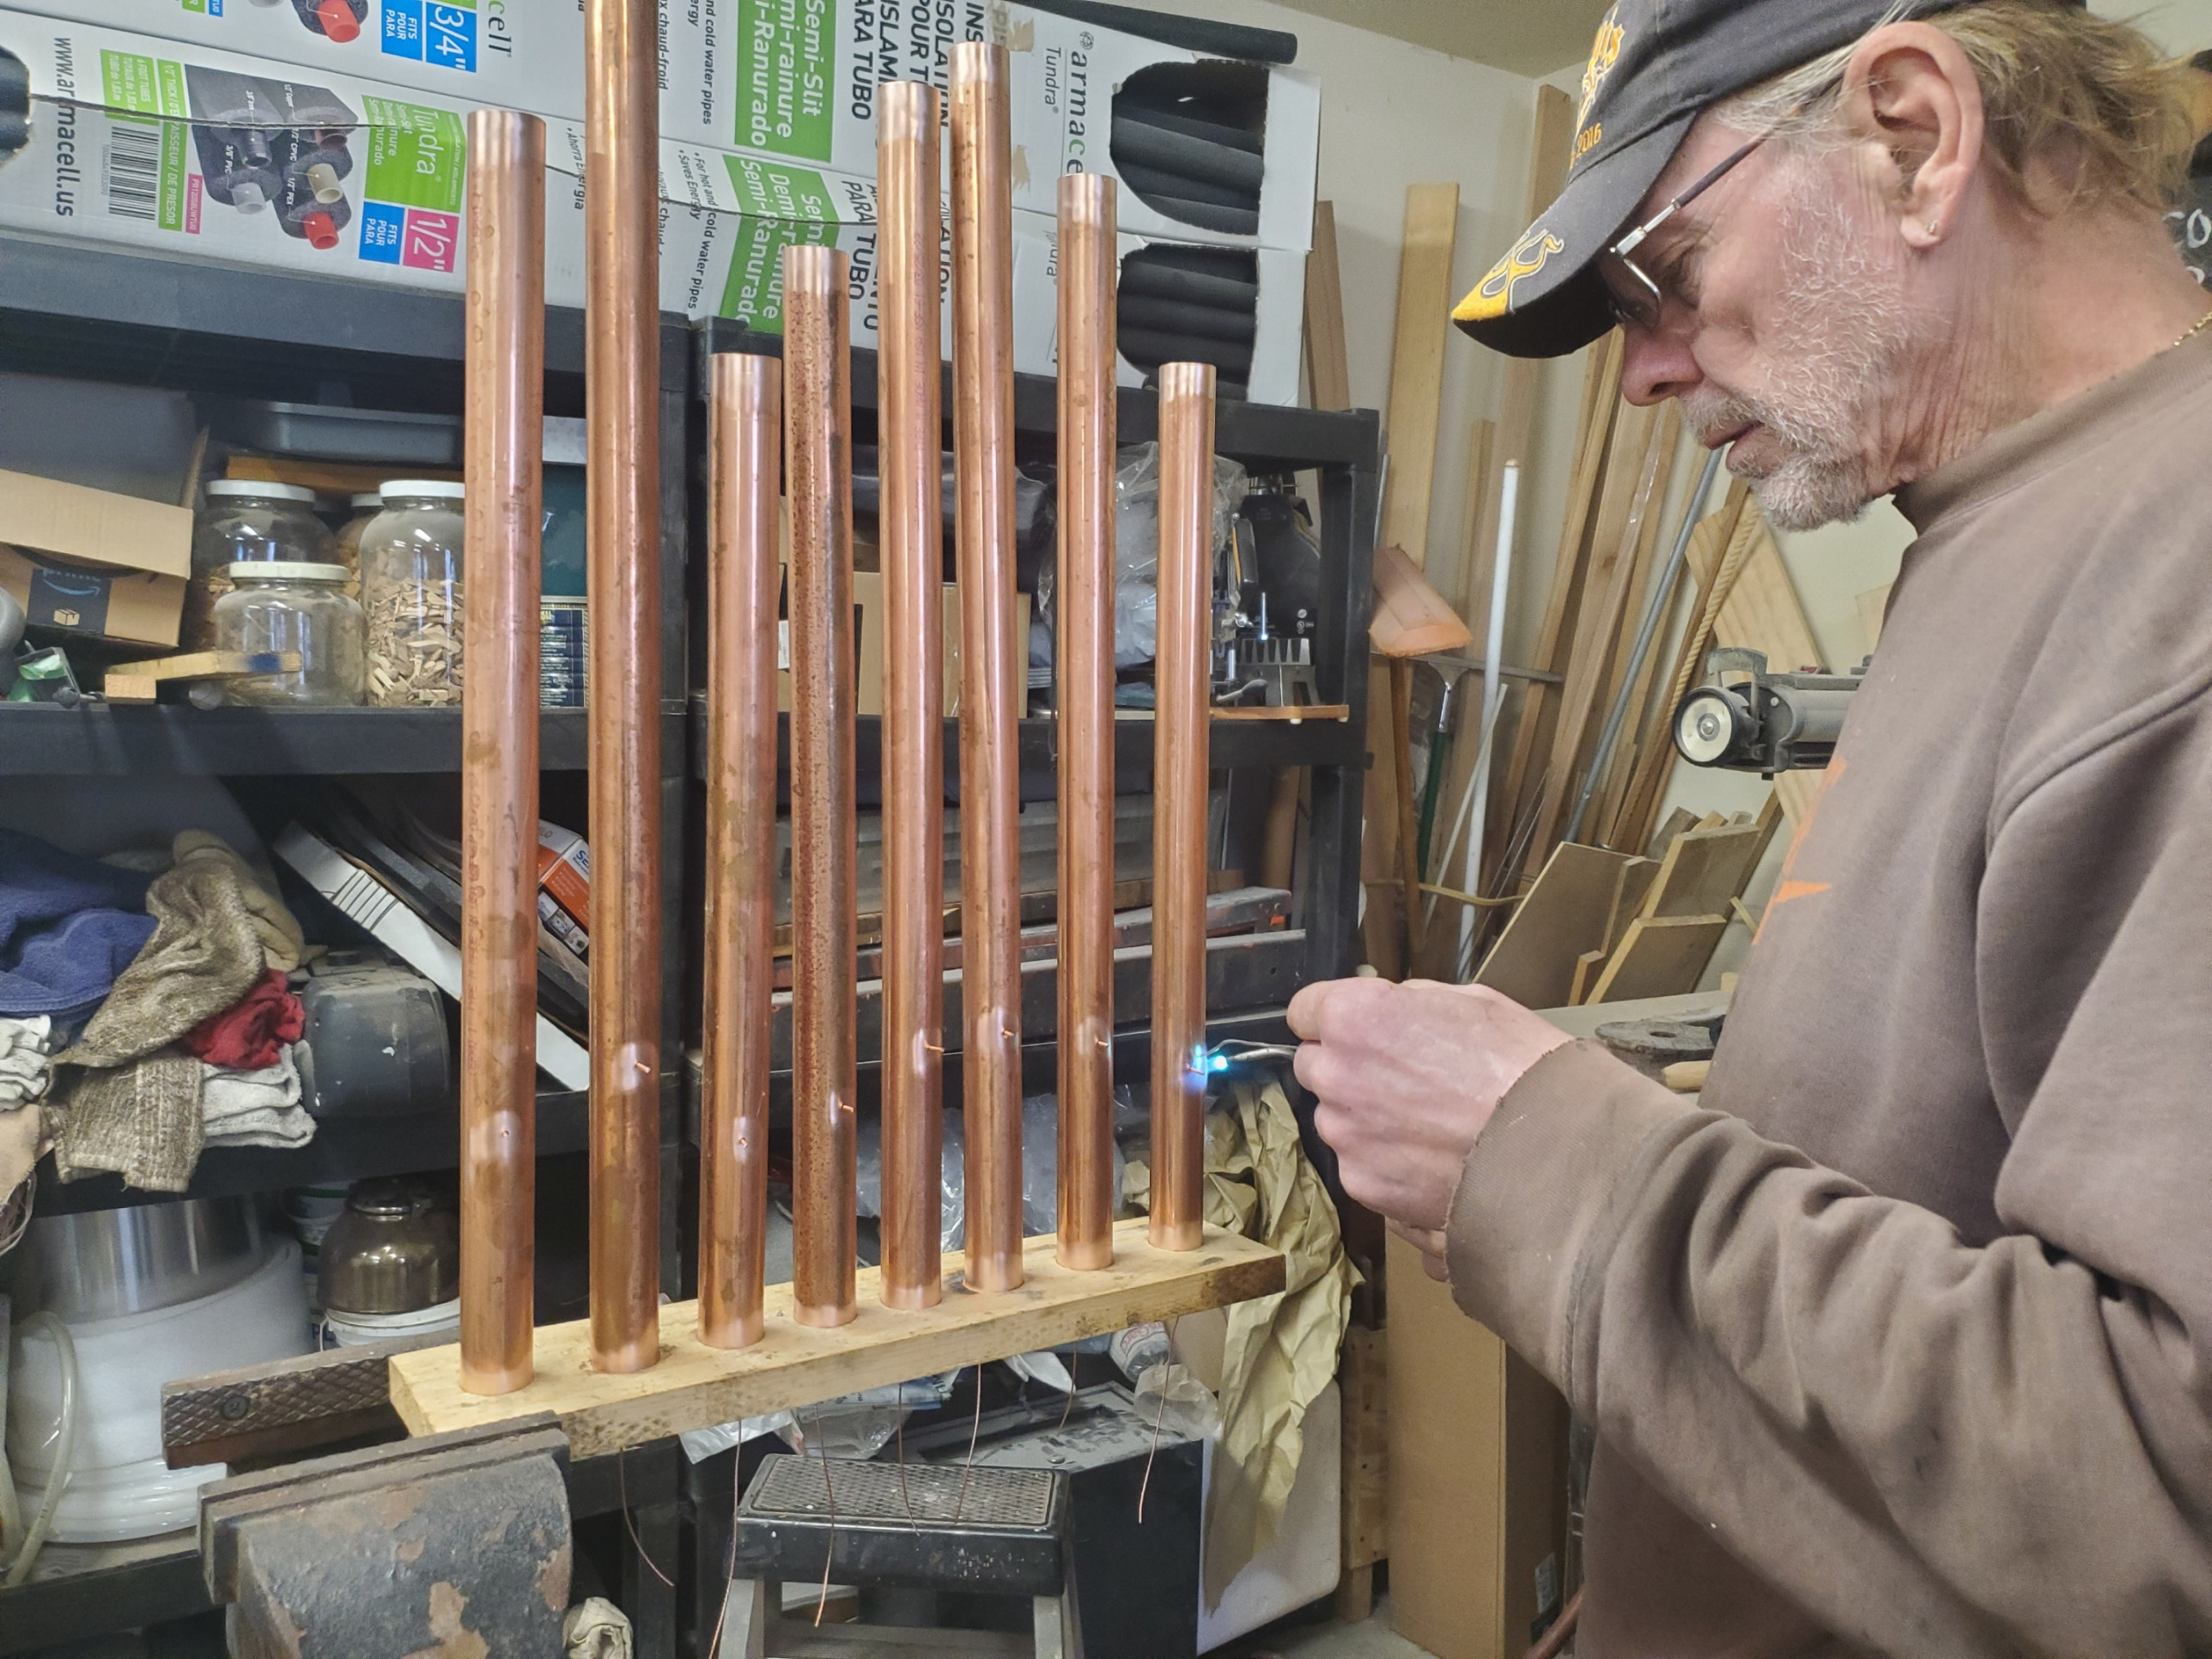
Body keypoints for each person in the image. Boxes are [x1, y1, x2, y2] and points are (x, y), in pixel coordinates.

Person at [1290, 1, 2212, 1653]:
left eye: (1663, 269)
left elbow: (2166, 1492)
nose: (1640, 370)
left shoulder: (2181, 573)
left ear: (1916, 136)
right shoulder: (1993, 530)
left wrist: (1556, 1166)